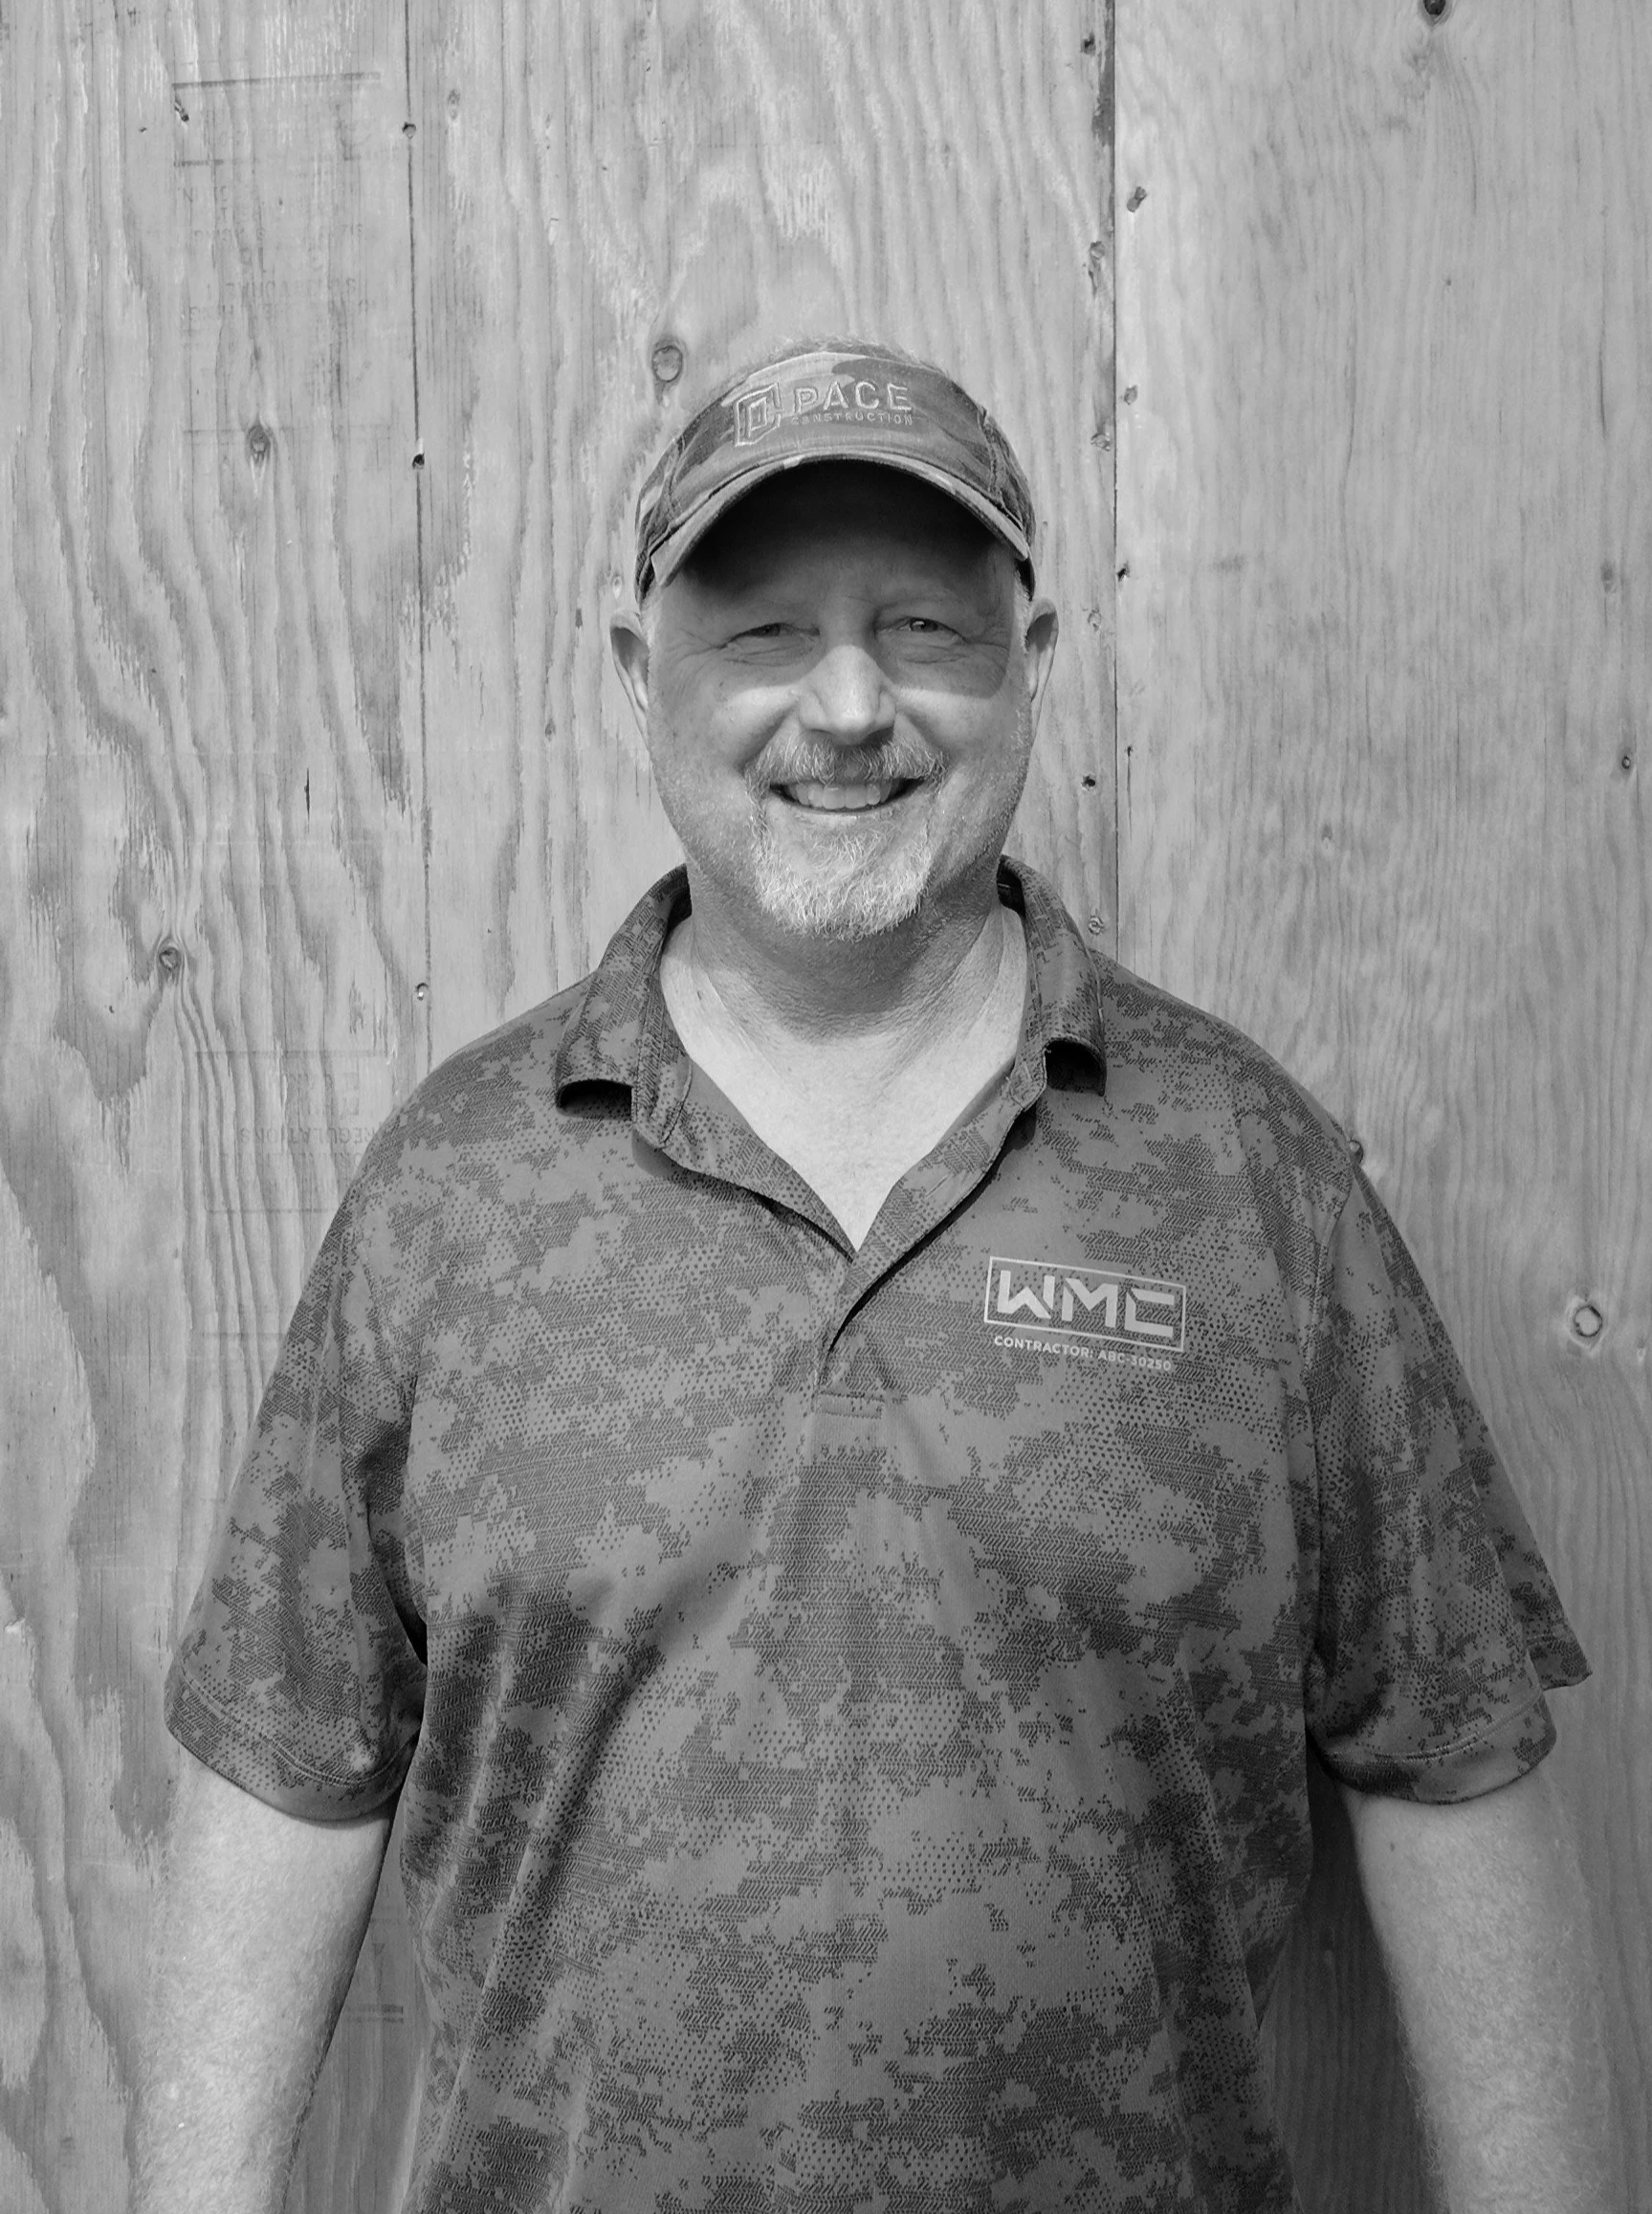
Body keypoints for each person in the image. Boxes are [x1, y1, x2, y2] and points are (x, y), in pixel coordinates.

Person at [138, 342, 1615, 2214]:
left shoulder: (1247, 1178)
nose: (847, 706)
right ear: (636, 674)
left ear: (1028, 653)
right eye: (764, 631)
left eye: (920, 625)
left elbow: (1455, 1758)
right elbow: (283, 1764)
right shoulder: (454, 1187)